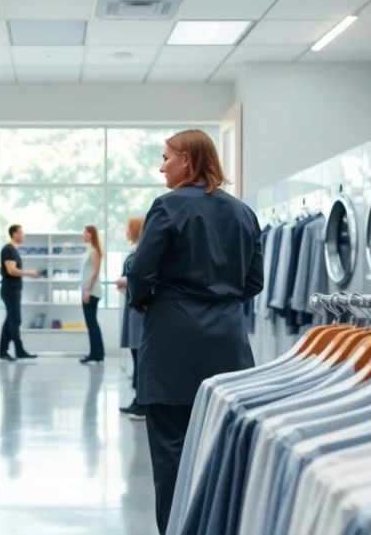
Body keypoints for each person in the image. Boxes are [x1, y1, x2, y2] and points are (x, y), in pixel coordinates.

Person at [125, 129, 263, 535]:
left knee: (171, 450)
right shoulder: (243, 212)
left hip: (173, 342)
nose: (161, 165)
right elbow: (254, 282)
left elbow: (141, 271)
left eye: (166, 157)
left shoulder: (167, 207)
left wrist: (144, 299)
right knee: (222, 447)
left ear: (187, 159)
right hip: (228, 342)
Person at [116, 216, 146, 420]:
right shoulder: (136, 250)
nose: (126, 231)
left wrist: (124, 281)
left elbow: (140, 278)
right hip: (133, 307)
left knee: (141, 357)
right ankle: (139, 400)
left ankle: (143, 403)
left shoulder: (143, 251)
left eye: (128, 228)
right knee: (137, 357)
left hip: (140, 311)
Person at [0, 224, 40, 361]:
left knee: (10, 320)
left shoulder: (13, 250)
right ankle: (19, 350)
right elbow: (11, 270)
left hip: (14, 289)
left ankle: (3, 351)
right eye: (21, 232)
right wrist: (30, 273)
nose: (23, 235)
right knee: (15, 319)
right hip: (10, 289)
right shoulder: (8, 249)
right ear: (14, 234)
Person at [79, 224, 104, 364]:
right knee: (91, 323)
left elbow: (95, 272)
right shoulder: (90, 250)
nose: (83, 234)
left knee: (92, 323)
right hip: (88, 290)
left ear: (91, 234)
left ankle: (97, 354)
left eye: (85, 232)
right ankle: (95, 353)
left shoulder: (94, 250)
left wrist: (88, 290)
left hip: (91, 291)